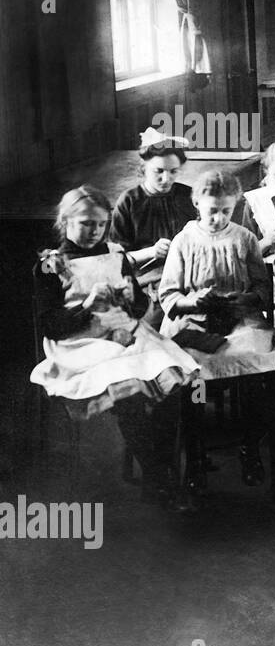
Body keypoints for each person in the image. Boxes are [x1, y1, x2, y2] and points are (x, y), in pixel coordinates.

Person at [32, 186, 198, 508]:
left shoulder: (115, 254)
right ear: (65, 221)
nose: (94, 231)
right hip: (79, 343)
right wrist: (87, 306)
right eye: (85, 223)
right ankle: (158, 478)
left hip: (124, 334)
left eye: (100, 224)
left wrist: (132, 300)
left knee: (175, 383)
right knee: (130, 392)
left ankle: (160, 473)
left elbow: (136, 310)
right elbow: (50, 324)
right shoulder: (52, 264)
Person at [158, 170, 275, 493]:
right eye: (212, 210)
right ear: (197, 203)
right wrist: (192, 300)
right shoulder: (185, 240)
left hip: (239, 318)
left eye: (226, 210)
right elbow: (168, 295)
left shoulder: (244, 239)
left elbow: (262, 287)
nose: (218, 217)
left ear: (235, 206)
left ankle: (250, 448)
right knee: (193, 373)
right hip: (193, 319)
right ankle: (196, 456)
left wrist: (248, 298)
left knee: (255, 361)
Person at [110, 128, 197, 326]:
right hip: (147, 286)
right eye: (158, 171)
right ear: (143, 168)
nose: (166, 179)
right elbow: (116, 259)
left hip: (189, 280)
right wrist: (151, 252)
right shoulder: (129, 202)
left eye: (173, 171)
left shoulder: (188, 196)